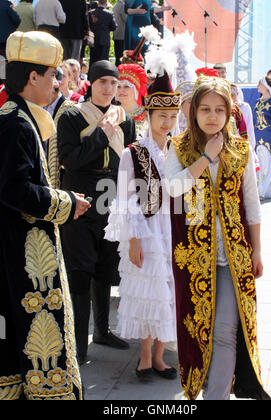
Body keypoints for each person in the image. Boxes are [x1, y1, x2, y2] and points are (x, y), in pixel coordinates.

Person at [165, 73, 270, 400]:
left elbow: (251, 203)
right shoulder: (178, 147)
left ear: (230, 113)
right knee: (199, 332)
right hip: (194, 258)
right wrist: (207, 158)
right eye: (206, 109)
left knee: (226, 331)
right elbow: (173, 189)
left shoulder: (240, 149)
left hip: (234, 257)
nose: (212, 116)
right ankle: (209, 387)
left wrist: (257, 251)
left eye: (220, 110)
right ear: (193, 111)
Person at [0, 30, 91, 400]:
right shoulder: (15, 123)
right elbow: (14, 190)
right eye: (53, 74)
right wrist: (66, 204)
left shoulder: (20, 116)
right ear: (32, 77)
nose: (58, 82)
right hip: (20, 256)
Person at [57, 60, 136, 364]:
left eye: (114, 84)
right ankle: (78, 343)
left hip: (112, 200)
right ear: (92, 83)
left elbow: (129, 164)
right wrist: (102, 132)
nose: (108, 89)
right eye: (103, 82)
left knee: (105, 266)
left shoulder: (125, 120)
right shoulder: (73, 116)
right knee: (80, 269)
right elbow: (70, 159)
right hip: (80, 197)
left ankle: (102, 330)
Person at [105, 67, 181, 381]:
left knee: (170, 293)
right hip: (147, 232)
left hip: (174, 230)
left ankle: (161, 358)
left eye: (173, 115)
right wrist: (134, 238)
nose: (168, 122)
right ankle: (145, 358)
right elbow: (125, 199)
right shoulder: (132, 153)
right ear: (148, 113)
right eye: (162, 115)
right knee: (149, 292)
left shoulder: (178, 151)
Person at [116, 63, 148, 135]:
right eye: (118, 86)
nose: (121, 90)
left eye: (126, 86)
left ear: (136, 90)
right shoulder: (111, 114)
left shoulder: (148, 115)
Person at [89, 0, 117, 65]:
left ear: (98, 3)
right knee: (104, 62)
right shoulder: (109, 14)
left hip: (93, 39)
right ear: (106, 3)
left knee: (93, 60)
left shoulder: (91, 13)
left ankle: (92, 74)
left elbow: (88, 26)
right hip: (104, 40)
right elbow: (114, 27)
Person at [113, 0, 127, 67]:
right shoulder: (122, 5)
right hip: (122, 34)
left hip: (117, 34)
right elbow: (126, 19)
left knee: (118, 56)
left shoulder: (116, 5)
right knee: (121, 57)